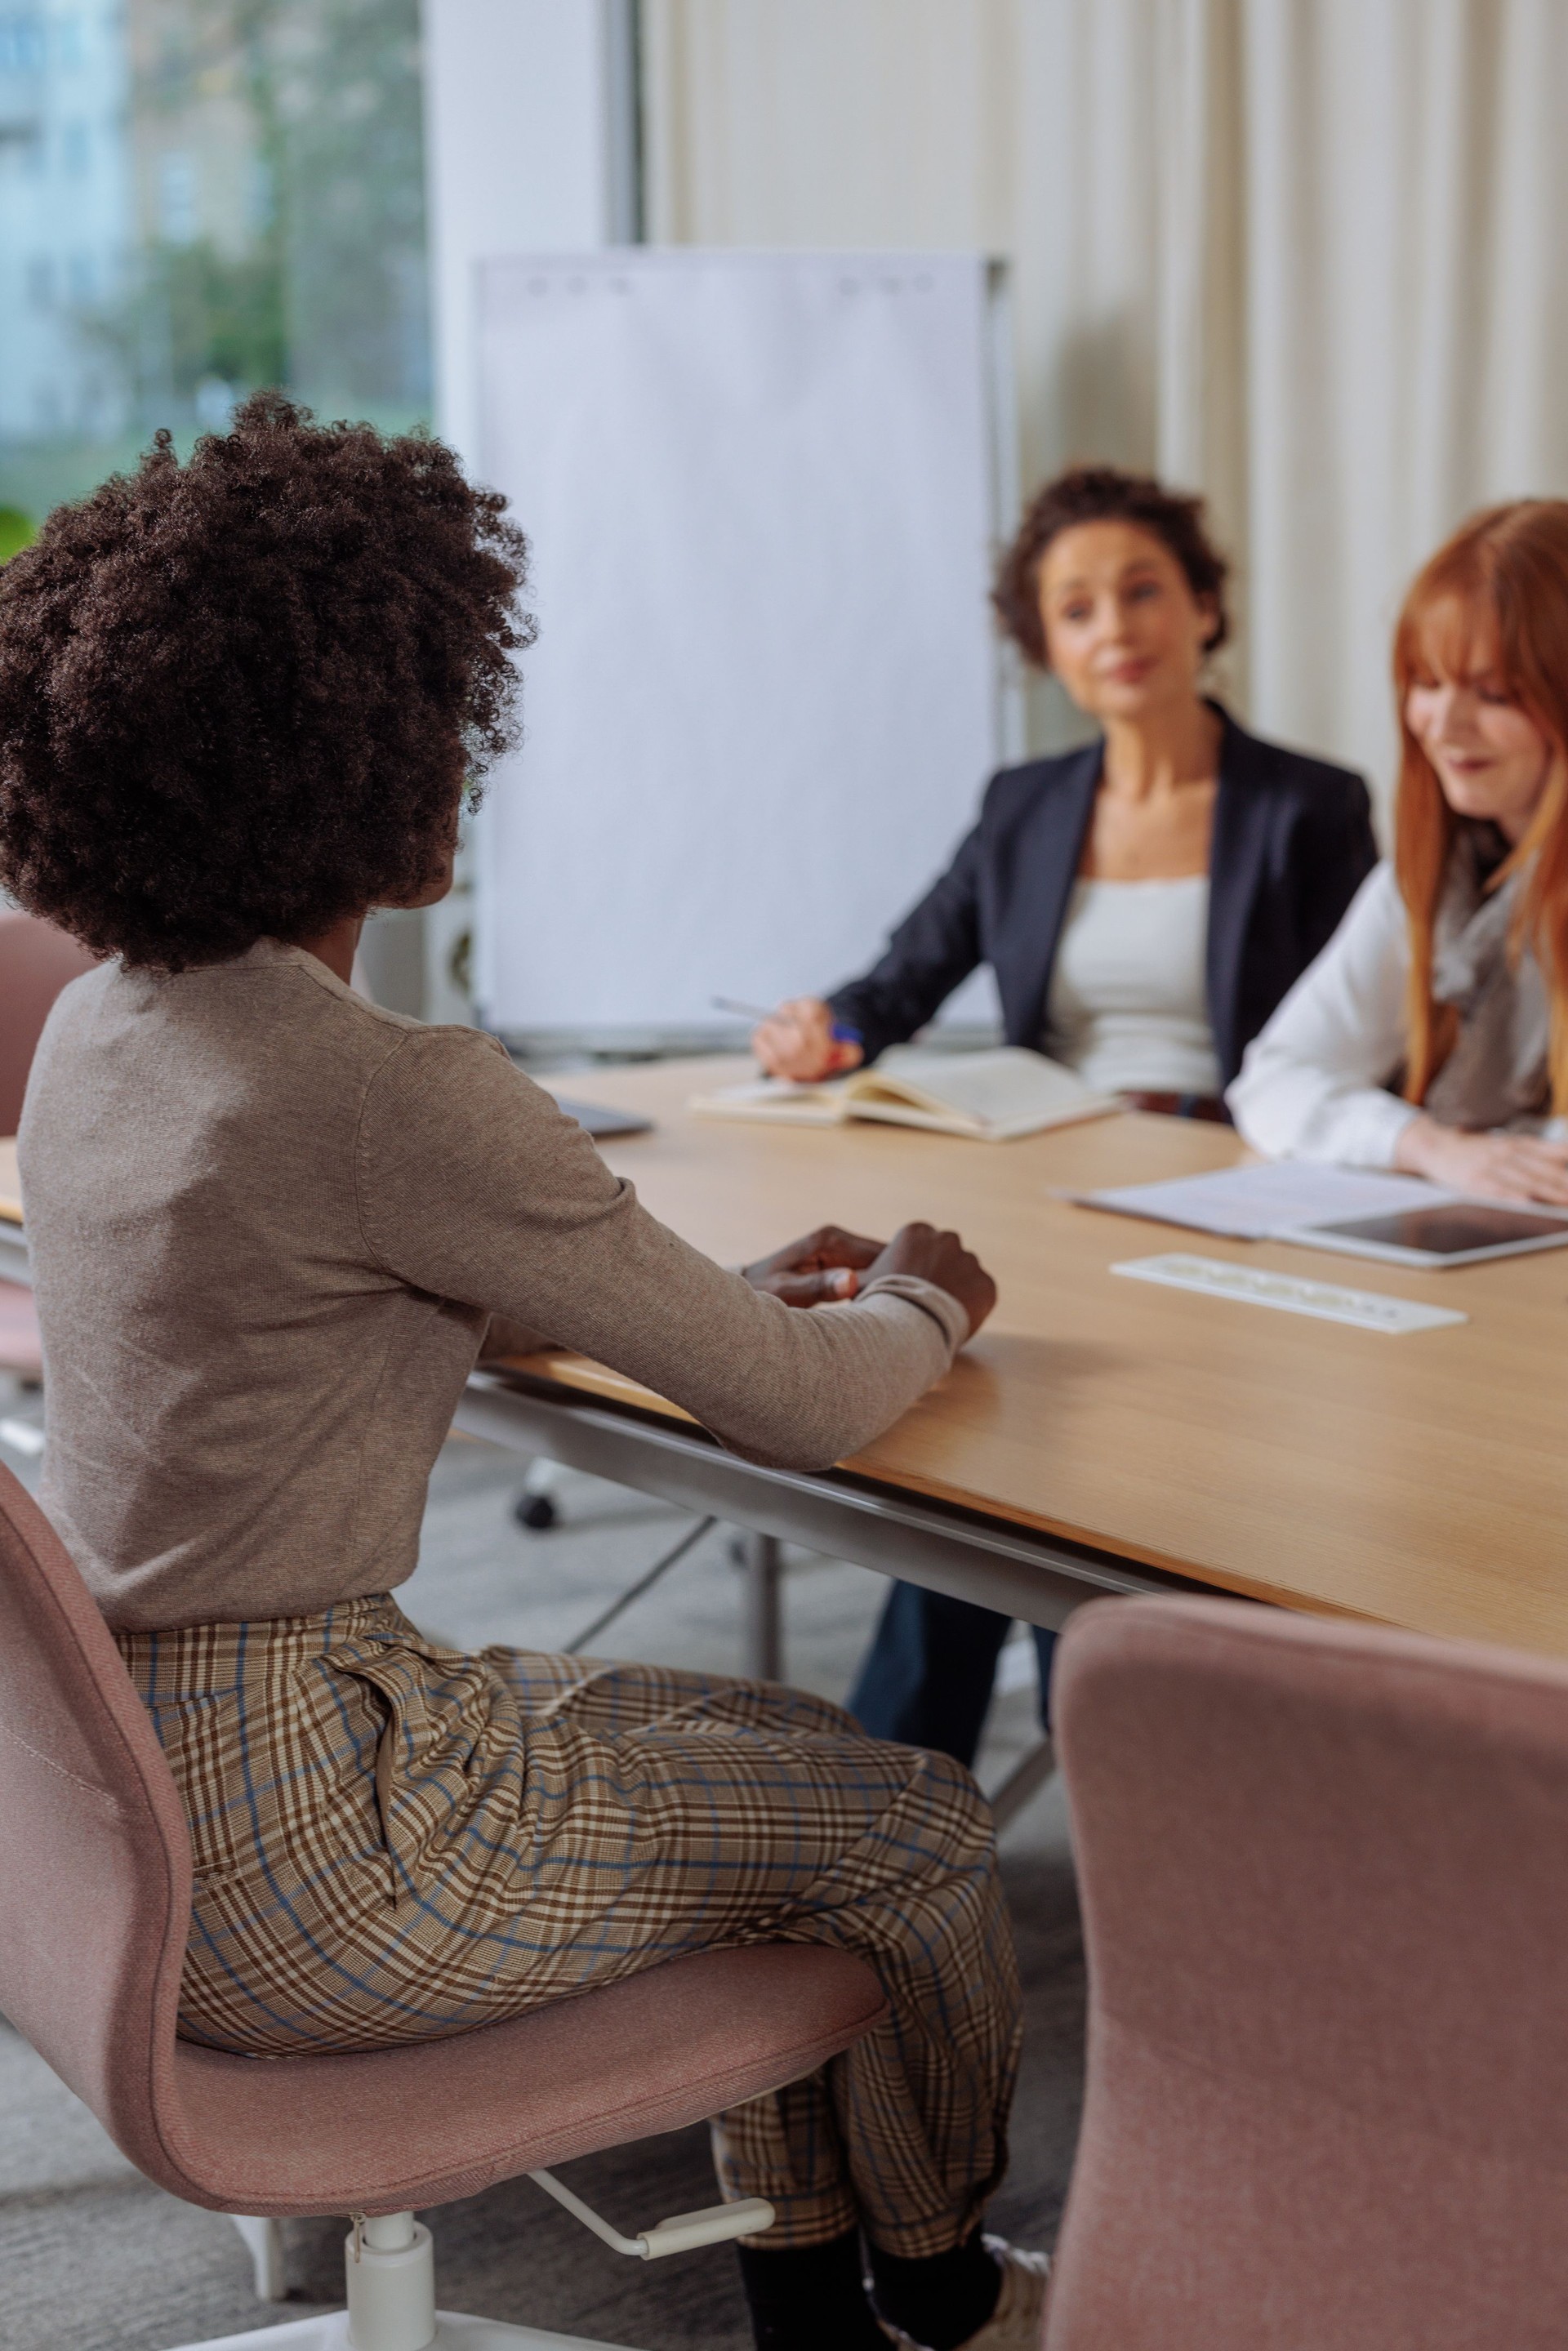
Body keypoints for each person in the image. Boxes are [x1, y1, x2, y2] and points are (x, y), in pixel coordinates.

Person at [0, 398, 1042, 2351]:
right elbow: (808, 1411)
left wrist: (690, 1288)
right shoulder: (392, 1089)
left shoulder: (105, 1033)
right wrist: (923, 1300)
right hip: (323, 1839)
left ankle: (809, 2293)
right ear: (365, 754)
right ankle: (950, 2294)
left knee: (777, 1760)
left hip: (116, 1798)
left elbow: (320, 1295)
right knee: (912, 1827)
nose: (470, 765)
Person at [753, 464, 1377, 1771]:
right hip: (1049, 1189)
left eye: (1143, 590)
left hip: (1237, 1198)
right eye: (1078, 608)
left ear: (1205, 607)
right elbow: (899, 982)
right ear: (1049, 647)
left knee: (1019, 1438)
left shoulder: (1308, 804)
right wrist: (832, 1033)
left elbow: (1365, 1040)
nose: (1116, 628)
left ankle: (922, 1769)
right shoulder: (1025, 805)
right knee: (995, 1427)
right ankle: (992, 1762)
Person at [1228, 499, 1568, 1204]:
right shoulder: (1431, 879)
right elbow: (1274, 1079)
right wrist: (1430, 1147)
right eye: (1427, 683)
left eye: (1494, 692)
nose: (1443, 726)